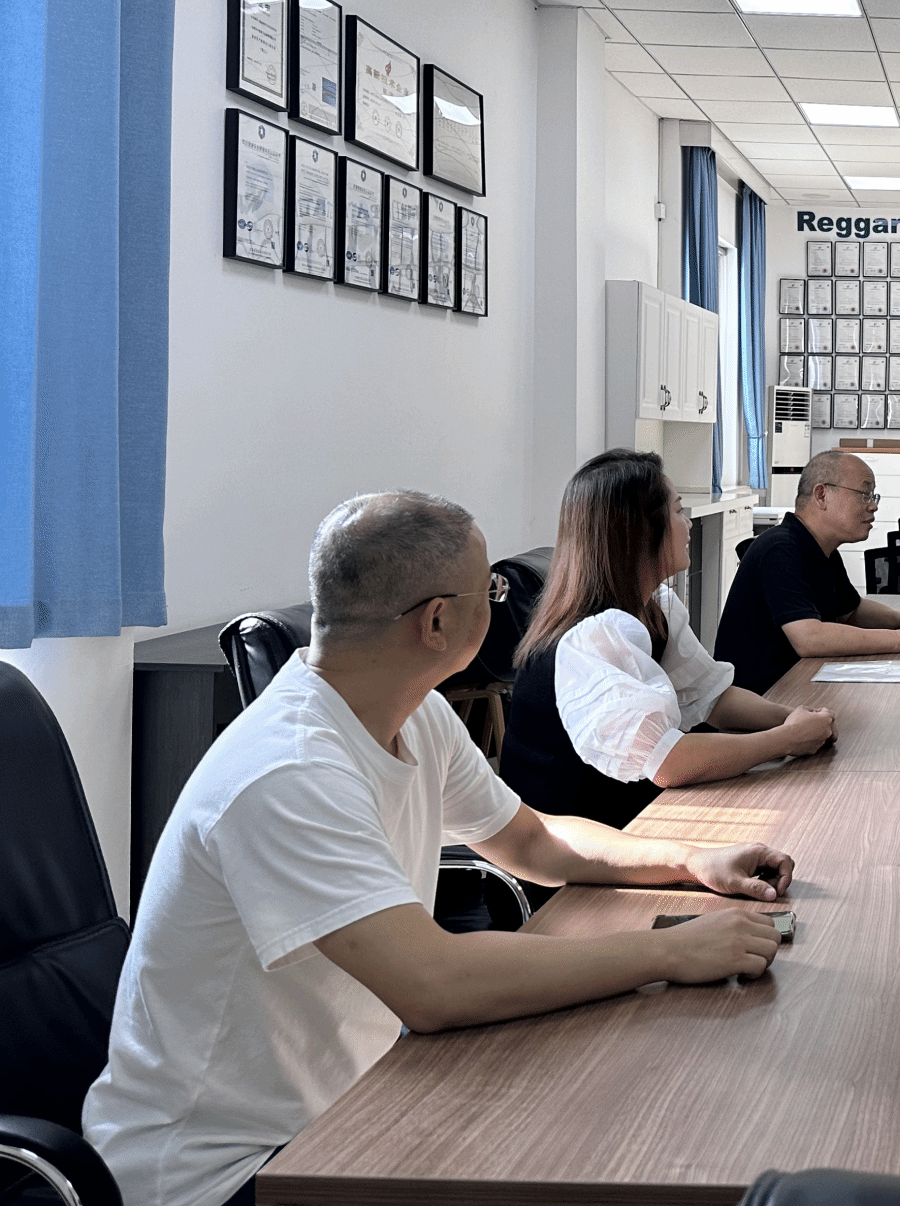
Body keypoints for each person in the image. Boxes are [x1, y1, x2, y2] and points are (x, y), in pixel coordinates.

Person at [84, 492, 793, 1206]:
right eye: (492, 592)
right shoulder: (290, 769)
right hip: (226, 1175)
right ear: (438, 621)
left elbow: (532, 839)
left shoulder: (413, 712)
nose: (501, 606)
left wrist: (689, 860)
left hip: (352, 1112)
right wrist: (668, 953)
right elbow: (434, 985)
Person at [501, 450, 836, 829]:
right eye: (677, 511)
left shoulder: (654, 606)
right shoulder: (593, 636)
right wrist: (785, 739)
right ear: (638, 531)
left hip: (630, 820)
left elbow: (713, 697)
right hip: (578, 847)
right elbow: (668, 762)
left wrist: (795, 719)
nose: (688, 523)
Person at [715, 449, 900, 697]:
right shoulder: (780, 549)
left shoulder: (823, 550)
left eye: (873, 496)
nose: (873, 506)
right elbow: (810, 638)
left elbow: (851, 611)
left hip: (797, 689)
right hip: (760, 702)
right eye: (864, 494)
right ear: (821, 495)